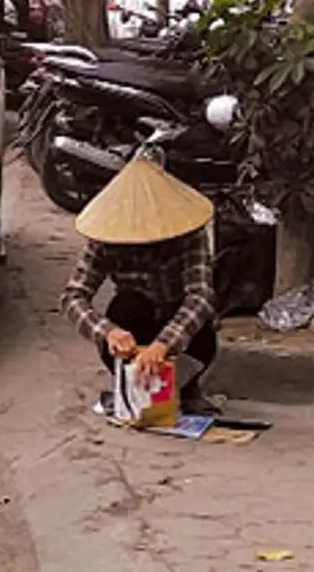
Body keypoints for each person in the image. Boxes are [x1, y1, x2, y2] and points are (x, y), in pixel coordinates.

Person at [61, 156, 221, 416]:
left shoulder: (188, 234)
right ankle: (130, 384)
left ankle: (186, 386)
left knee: (201, 330)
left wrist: (163, 345)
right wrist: (108, 333)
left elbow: (201, 296)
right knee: (127, 307)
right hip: (136, 326)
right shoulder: (104, 239)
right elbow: (73, 296)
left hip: (176, 321)